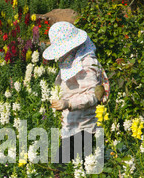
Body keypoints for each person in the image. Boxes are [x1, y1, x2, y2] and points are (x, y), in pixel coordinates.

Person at [43, 21, 109, 166]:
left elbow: (93, 95)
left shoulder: (86, 63)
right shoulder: (71, 58)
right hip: (72, 123)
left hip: (84, 126)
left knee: (64, 165)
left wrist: (68, 104)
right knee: (75, 165)